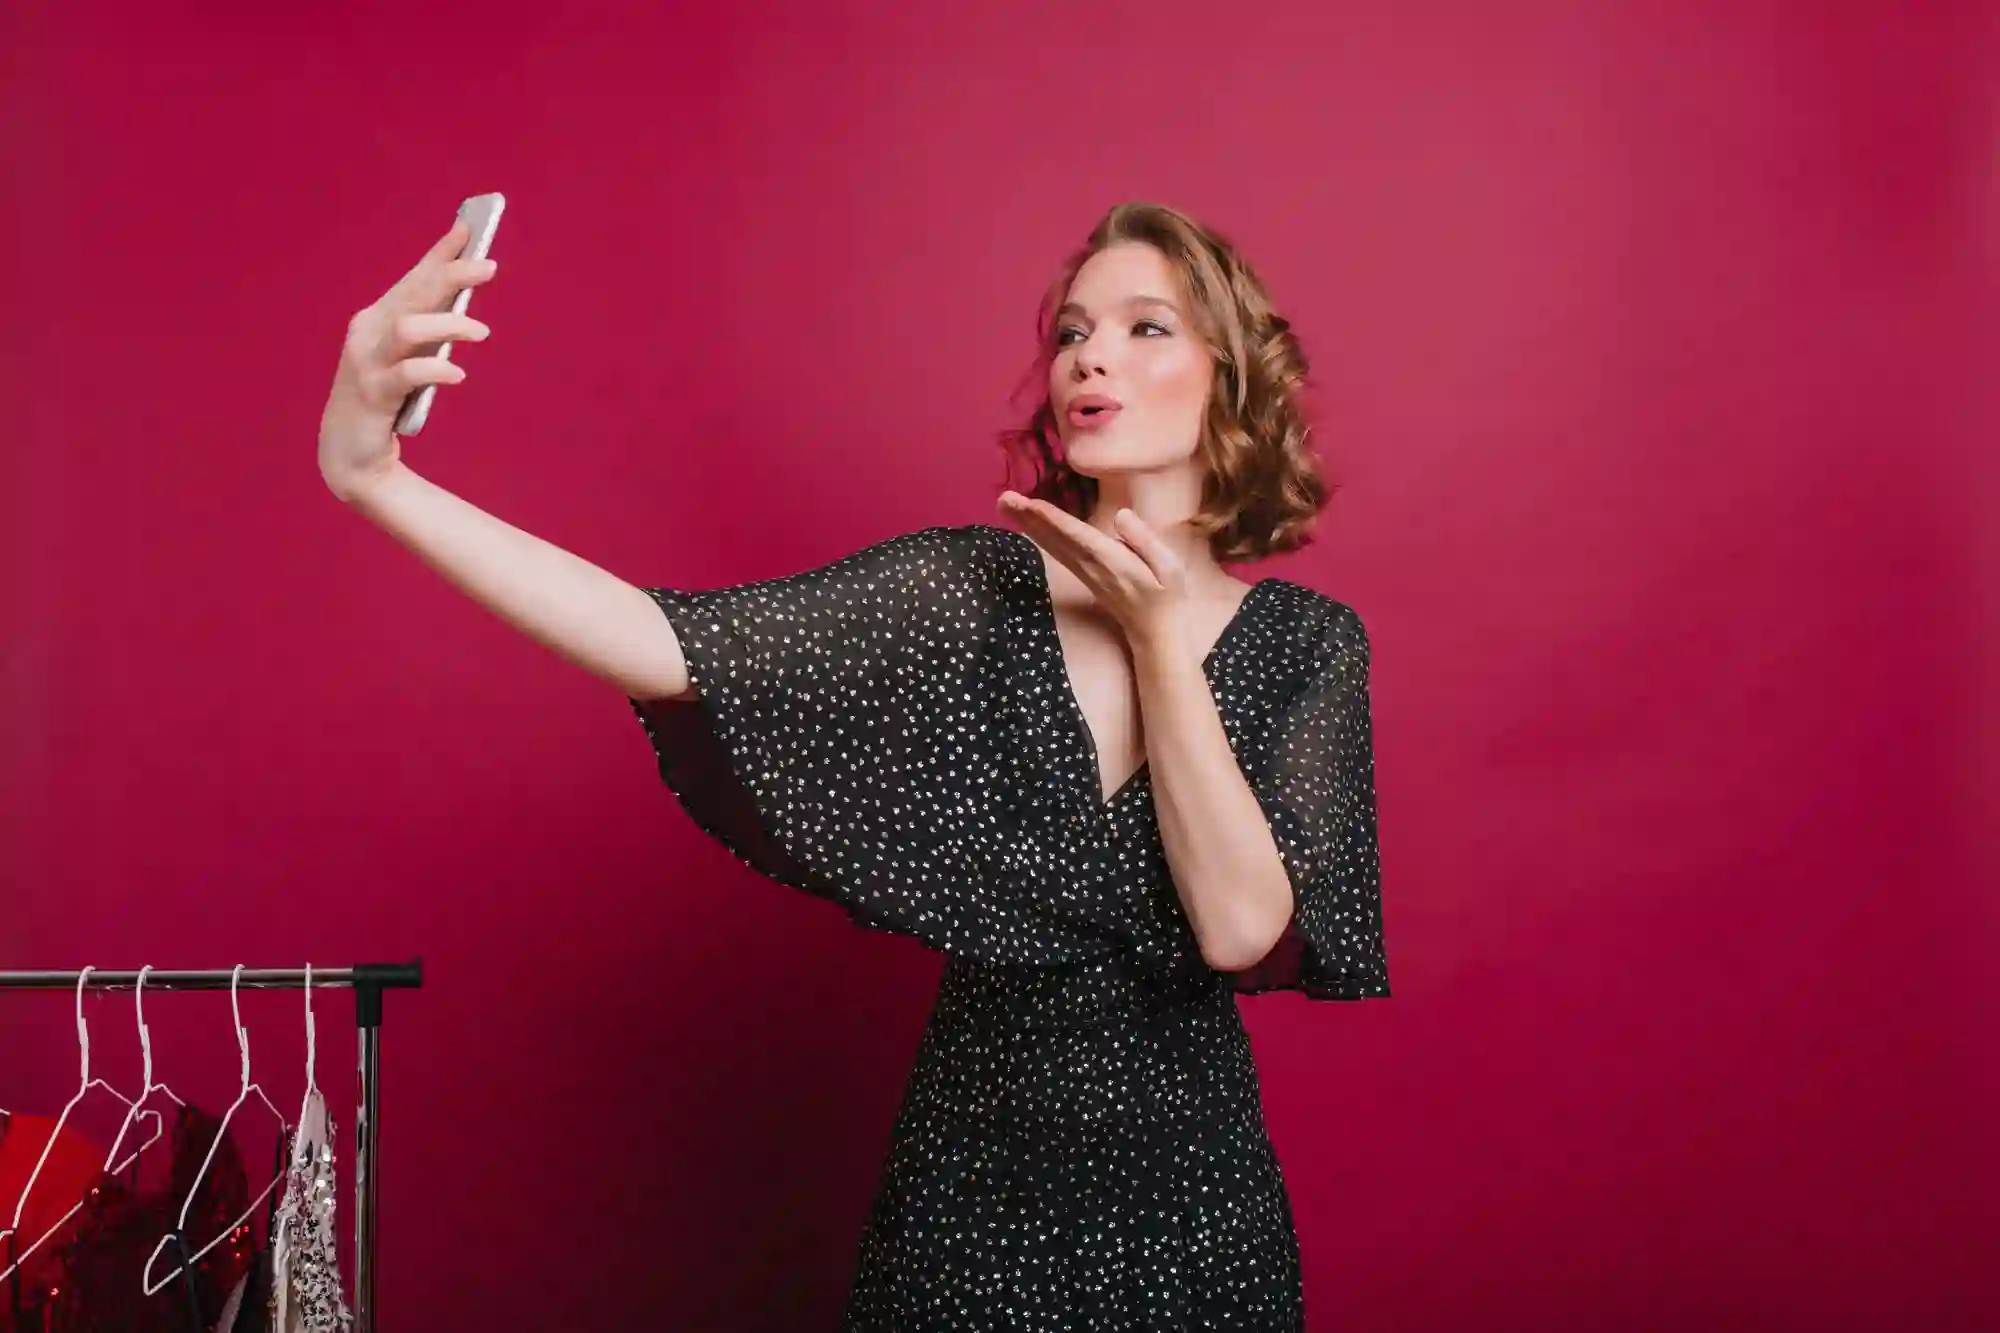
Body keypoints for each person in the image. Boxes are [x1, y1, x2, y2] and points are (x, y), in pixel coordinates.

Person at [318, 200, 1390, 1330]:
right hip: (968, 1213)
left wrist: (1161, 638)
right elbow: (661, 641)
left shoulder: (1307, 646)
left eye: (1144, 327)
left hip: (1194, 1221)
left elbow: (1236, 928)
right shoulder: (970, 593)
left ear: (1229, 376)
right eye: (1073, 331)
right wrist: (376, 478)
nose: (1089, 355)